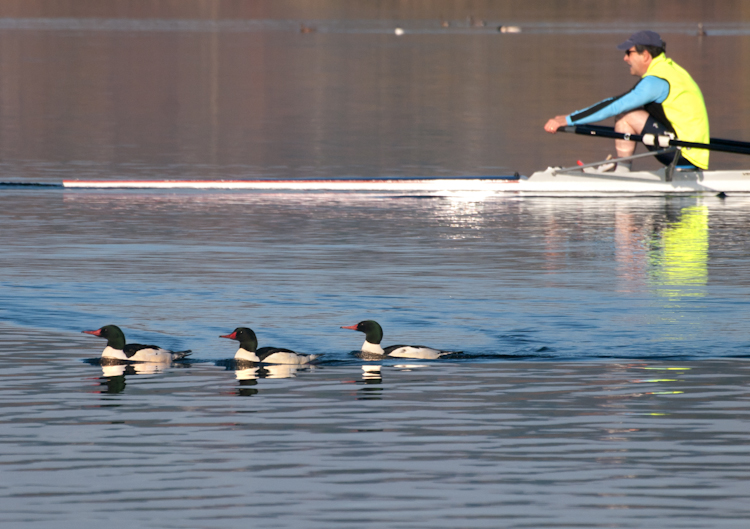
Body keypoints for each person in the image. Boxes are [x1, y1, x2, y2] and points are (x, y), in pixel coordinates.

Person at [544, 31, 709, 172]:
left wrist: (568, 119)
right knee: (626, 111)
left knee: (625, 114)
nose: (625, 58)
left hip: (683, 155)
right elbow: (620, 100)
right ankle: (622, 170)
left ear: (645, 55)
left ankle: (622, 172)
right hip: (689, 152)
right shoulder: (669, 69)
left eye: (629, 53)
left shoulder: (655, 81)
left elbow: (615, 105)